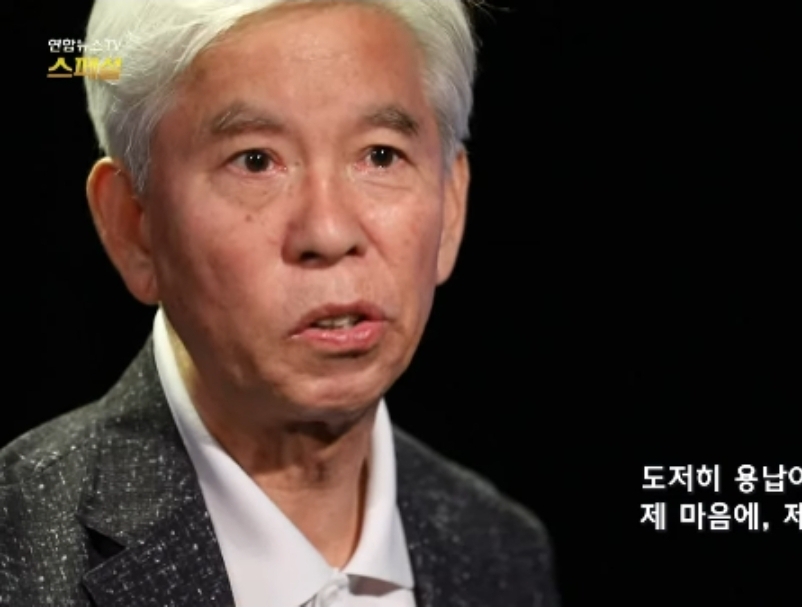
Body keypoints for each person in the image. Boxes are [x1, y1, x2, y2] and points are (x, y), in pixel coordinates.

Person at [0, 1, 560, 605]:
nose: (329, 232)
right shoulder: (19, 549)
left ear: (451, 207)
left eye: (380, 155)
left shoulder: (501, 551)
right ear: (135, 227)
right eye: (256, 161)